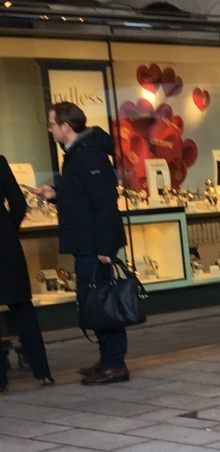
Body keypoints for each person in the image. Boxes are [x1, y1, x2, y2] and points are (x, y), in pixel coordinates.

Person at [36, 102, 128, 385]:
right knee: (93, 301)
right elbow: (81, 196)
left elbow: (104, 204)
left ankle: (115, 363)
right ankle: (107, 359)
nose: (50, 129)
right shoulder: (76, 154)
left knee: (101, 302)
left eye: (52, 123)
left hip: (94, 246)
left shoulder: (88, 156)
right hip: (85, 243)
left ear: (66, 126)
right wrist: (56, 193)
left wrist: (105, 247)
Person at [0, 154, 54, 393]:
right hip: (5, 243)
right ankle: (42, 372)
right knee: (22, 308)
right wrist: (9, 228)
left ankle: (1, 381)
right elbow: (18, 203)